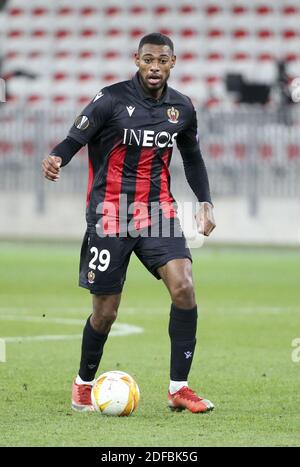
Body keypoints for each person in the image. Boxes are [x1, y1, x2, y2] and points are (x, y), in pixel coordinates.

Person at [42, 33, 216, 414]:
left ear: (174, 62)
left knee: (184, 285)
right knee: (106, 313)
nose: (155, 67)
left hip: (157, 212)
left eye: (163, 60)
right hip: (110, 213)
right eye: (148, 59)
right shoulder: (111, 99)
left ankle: (179, 388)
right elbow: (75, 138)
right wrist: (57, 157)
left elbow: (193, 159)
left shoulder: (182, 108)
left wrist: (205, 202)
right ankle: (83, 384)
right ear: (136, 59)